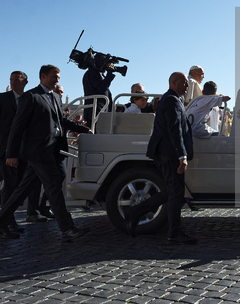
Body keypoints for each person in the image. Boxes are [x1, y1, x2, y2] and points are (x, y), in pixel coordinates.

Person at [0, 65, 91, 240]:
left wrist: (82, 129)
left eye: (58, 77)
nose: (57, 79)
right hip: (38, 152)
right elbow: (17, 126)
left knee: (22, 191)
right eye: (54, 76)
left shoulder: (55, 98)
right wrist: (11, 153)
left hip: (54, 150)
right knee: (54, 188)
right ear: (43, 76)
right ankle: (67, 229)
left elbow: (62, 120)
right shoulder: (31, 96)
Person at [125, 72, 195, 244]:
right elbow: (174, 129)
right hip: (169, 154)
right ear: (173, 82)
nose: (187, 85)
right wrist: (182, 155)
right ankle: (173, 233)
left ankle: (135, 212)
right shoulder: (171, 100)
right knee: (176, 194)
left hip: (166, 153)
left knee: (172, 192)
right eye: (184, 82)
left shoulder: (172, 99)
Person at [0, 71, 48, 228]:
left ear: (25, 82)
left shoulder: (30, 98)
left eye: (17, 80)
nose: (13, 83)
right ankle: (7, 222)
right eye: (11, 80)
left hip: (24, 151)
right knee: (11, 186)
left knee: (18, 188)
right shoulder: (1, 98)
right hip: (4, 150)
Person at [82, 57, 116, 128]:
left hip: (98, 110)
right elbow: (101, 88)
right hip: (96, 111)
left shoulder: (94, 73)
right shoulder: (94, 73)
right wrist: (109, 74)